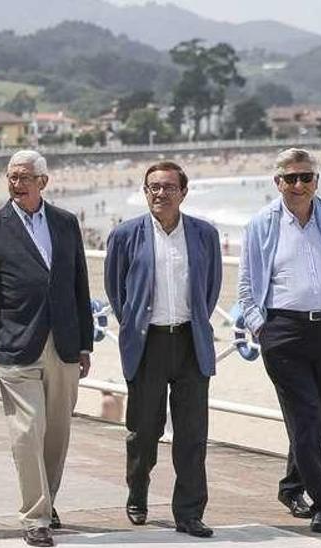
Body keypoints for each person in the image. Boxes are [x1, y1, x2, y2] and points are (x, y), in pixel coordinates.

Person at [237, 148, 321, 534]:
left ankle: (292, 485)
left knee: (320, 421)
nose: (298, 185)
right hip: (284, 334)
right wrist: (261, 326)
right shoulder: (262, 224)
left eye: (305, 177)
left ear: (316, 181)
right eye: (290, 178)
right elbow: (246, 284)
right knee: (308, 419)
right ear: (277, 182)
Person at [0, 150, 94, 547]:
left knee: (56, 433)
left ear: (44, 181)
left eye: (24, 177)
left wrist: (85, 344)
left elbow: (80, 286)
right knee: (26, 432)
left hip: (64, 345)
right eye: (11, 176)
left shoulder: (65, 223)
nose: (17, 183)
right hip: (14, 346)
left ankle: (48, 501)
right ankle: (34, 517)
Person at [103, 161, 222, 538]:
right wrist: (136, 324)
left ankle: (189, 512)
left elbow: (211, 286)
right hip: (147, 343)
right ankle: (137, 489)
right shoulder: (125, 235)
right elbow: (116, 290)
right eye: (153, 187)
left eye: (168, 187)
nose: (160, 193)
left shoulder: (204, 234)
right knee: (143, 430)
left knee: (192, 434)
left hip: (190, 341)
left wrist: (195, 322)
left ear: (183, 193)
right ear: (145, 192)